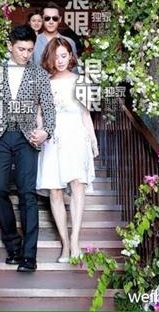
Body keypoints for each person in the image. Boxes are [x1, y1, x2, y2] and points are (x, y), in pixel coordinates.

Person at [0, 25, 56, 273]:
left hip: (26, 138)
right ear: (10, 46)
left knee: (27, 194)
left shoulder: (39, 74)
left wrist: (46, 131)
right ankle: (13, 246)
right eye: (21, 49)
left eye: (30, 50)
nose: (25, 54)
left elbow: (49, 106)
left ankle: (29, 256)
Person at [36, 37, 98, 262]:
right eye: (56, 57)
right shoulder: (44, 82)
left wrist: (93, 140)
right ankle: (64, 244)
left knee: (77, 185)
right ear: (49, 58)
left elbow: (85, 114)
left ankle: (75, 241)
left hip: (76, 136)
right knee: (55, 190)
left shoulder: (80, 81)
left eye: (64, 55)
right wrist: (41, 133)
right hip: (52, 138)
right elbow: (39, 114)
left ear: (71, 56)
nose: (60, 61)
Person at [32, 2, 78, 68]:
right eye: (47, 18)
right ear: (42, 19)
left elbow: (73, 69)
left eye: (55, 18)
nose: (51, 22)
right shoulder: (33, 41)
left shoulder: (69, 42)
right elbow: (28, 68)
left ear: (60, 19)